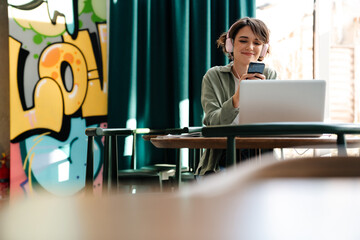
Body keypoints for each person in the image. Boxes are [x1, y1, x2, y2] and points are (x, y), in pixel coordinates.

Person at [196, 17, 278, 176]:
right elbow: (213, 122)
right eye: (243, 41)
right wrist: (238, 96)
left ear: (263, 49)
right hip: (221, 159)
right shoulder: (214, 76)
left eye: (257, 43)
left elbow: (275, 121)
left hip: (260, 158)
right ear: (230, 44)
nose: (250, 47)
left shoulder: (270, 75)